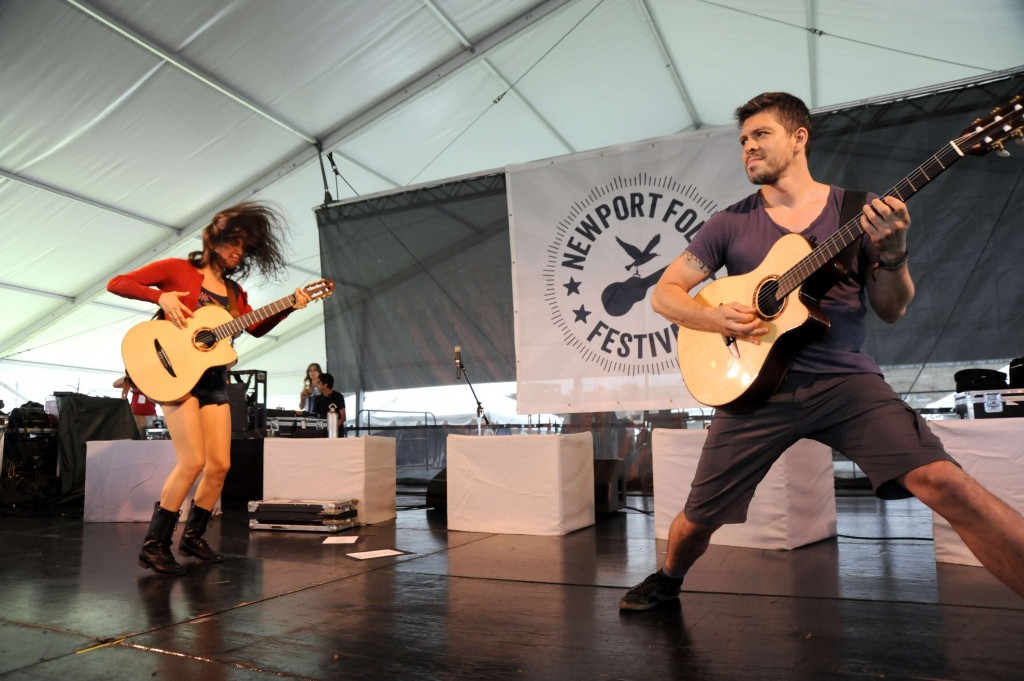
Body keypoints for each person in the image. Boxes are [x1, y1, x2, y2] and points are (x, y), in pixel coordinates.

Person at [620, 92, 1024, 610]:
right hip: (754, 393)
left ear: (799, 137)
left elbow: (892, 309)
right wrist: (712, 315)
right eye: (743, 140)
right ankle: (670, 577)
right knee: (699, 517)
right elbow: (664, 294)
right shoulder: (729, 223)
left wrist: (896, 254)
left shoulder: (857, 211)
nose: (748, 147)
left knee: (944, 481)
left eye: (760, 135)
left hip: (843, 383)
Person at [108, 201, 312, 575]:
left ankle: (194, 536)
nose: (237, 252)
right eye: (233, 243)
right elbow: (117, 282)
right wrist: (160, 296)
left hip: (214, 379)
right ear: (213, 239)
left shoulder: (235, 293)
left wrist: (291, 306)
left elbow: (254, 327)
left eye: (244, 248)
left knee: (220, 465)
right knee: (193, 461)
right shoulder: (176, 270)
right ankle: (154, 546)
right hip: (175, 377)